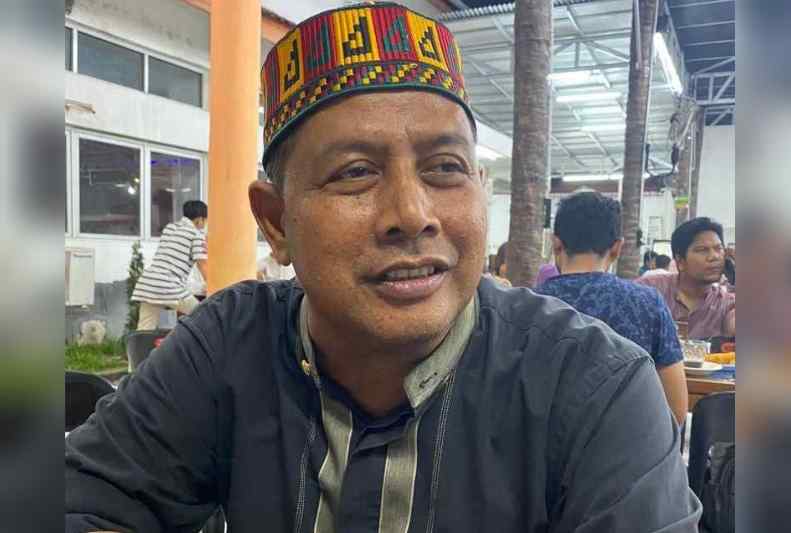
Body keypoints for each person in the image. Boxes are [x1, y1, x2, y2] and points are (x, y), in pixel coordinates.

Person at [65, 5, 699, 532]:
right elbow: (81, 501)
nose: (412, 215)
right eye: (355, 172)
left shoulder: (593, 386)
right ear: (277, 223)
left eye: (445, 168)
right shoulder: (230, 344)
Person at [535, 192, 688, 425]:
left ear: (556, 244)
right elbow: (676, 410)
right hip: (629, 443)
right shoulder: (647, 304)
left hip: (538, 446)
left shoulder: (529, 304)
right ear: (617, 248)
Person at [637, 217, 735, 338]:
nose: (714, 257)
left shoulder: (725, 303)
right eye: (702, 250)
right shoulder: (650, 289)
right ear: (680, 261)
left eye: (718, 249)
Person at [130, 200, 208, 330]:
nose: (205, 224)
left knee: (144, 328)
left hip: (149, 283)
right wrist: (214, 286)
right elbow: (202, 264)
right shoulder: (196, 234)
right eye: (205, 220)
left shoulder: (169, 228)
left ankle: (138, 344)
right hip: (170, 286)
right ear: (200, 220)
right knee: (203, 316)